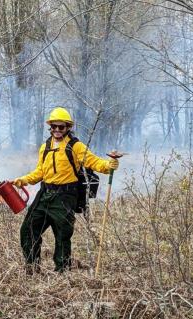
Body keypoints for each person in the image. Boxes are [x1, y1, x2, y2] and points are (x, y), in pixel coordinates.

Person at [12, 107, 119, 274]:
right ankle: (32, 267)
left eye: (60, 127)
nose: (56, 130)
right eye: (53, 126)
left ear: (68, 127)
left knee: (62, 235)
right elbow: (40, 172)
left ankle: (62, 271)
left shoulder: (76, 146)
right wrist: (24, 180)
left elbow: (95, 162)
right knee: (28, 229)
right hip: (44, 194)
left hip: (65, 197)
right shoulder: (45, 147)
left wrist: (109, 165)